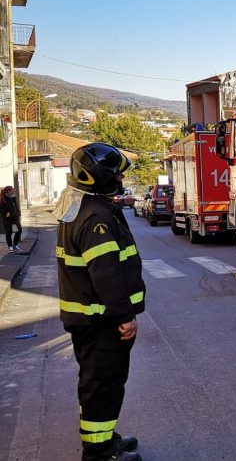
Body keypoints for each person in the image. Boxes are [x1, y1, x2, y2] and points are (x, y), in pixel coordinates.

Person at [53, 143, 144, 461]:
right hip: (102, 319)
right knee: (103, 384)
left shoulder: (82, 206)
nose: (120, 179)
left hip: (89, 319)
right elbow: (105, 273)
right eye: (116, 174)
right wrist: (124, 316)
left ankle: (103, 437)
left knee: (96, 381)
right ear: (102, 179)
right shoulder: (96, 218)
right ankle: (100, 451)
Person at [0, 186, 23, 252]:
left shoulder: (13, 198)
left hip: (15, 217)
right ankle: (10, 246)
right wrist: (5, 213)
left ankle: (15, 245)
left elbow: (15, 206)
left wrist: (18, 213)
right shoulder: (3, 199)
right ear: (8, 191)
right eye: (12, 190)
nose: (14, 191)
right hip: (7, 218)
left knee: (19, 230)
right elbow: (1, 209)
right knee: (9, 232)